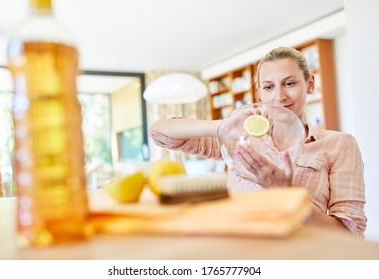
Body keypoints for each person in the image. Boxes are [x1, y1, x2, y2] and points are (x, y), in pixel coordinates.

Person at [149, 47, 366, 237]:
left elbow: (350, 234)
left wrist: (286, 195)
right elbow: (160, 133)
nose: (279, 97)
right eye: (269, 87)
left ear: (310, 84)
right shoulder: (239, 138)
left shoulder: (339, 145)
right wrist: (224, 127)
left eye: (289, 83)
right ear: (259, 92)